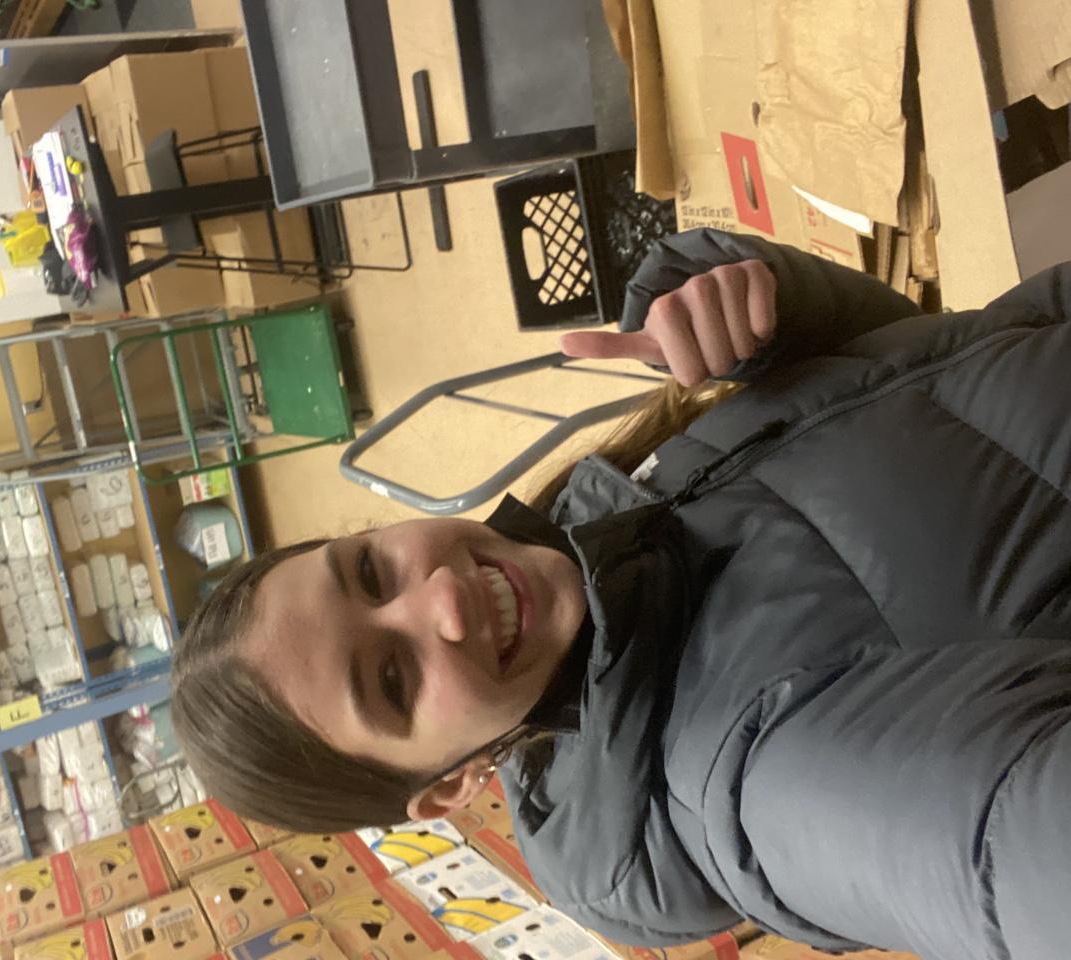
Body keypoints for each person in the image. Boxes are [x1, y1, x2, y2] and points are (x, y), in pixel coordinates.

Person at [172, 228, 1071, 960]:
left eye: (371, 571)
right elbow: (1020, 857)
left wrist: (770, 307)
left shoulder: (613, 525)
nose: (440, 597)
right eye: (392, 680)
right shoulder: (762, 783)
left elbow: (927, 360)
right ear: (446, 789)